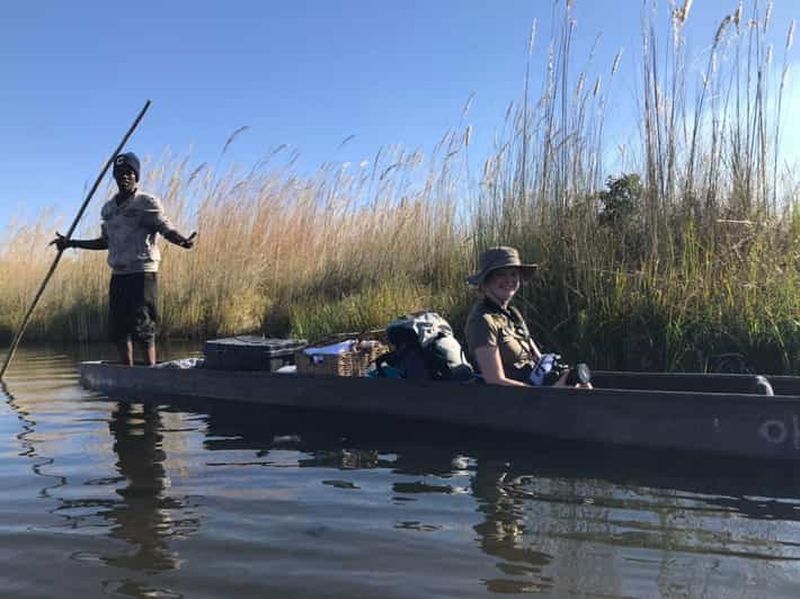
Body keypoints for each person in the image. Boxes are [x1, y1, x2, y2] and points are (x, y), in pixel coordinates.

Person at [51, 152, 196, 366]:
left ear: (136, 176)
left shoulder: (146, 202)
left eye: (129, 172)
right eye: (120, 173)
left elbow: (165, 228)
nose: (124, 177)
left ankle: (150, 372)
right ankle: (127, 373)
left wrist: (182, 241)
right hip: (119, 274)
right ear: (114, 177)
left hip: (142, 273)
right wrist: (71, 243)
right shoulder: (108, 209)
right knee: (119, 328)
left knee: (143, 325)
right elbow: (105, 242)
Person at [464, 246, 590, 388]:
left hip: (535, 389)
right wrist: (547, 393)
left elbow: (538, 360)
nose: (509, 280)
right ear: (486, 280)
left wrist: (564, 377)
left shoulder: (513, 314)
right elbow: (495, 381)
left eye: (513, 274)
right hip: (515, 398)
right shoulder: (482, 320)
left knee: (581, 382)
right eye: (500, 274)